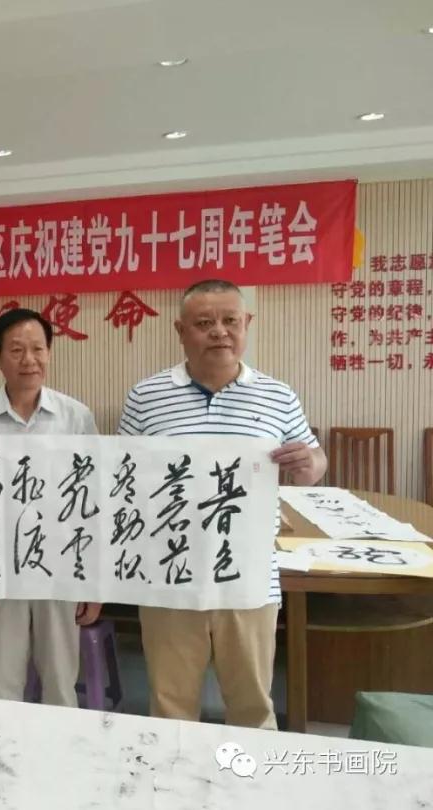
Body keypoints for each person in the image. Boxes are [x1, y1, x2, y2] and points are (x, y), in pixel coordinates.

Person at [119, 279, 326, 728]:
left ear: (247, 324)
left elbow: (315, 461)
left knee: (253, 705)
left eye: (230, 320)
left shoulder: (278, 395)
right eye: (204, 323)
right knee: (170, 707)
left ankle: (251, 774)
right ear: (180, 331)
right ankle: (173, 774)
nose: (219, 331)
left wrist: (310, 463)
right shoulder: (145, 396)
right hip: (169, 572)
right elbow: (123, 477)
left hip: (249, 576)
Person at [0, 308, 102, 707]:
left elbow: (92, 502)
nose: (29, 360)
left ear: (49, 352)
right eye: (17, 350)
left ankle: (60, 744)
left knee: (60, 680)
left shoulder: (75, 417)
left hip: (61, 564)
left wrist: (94, 581)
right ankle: (4, 745)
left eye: (38, 348)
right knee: (4, 681)